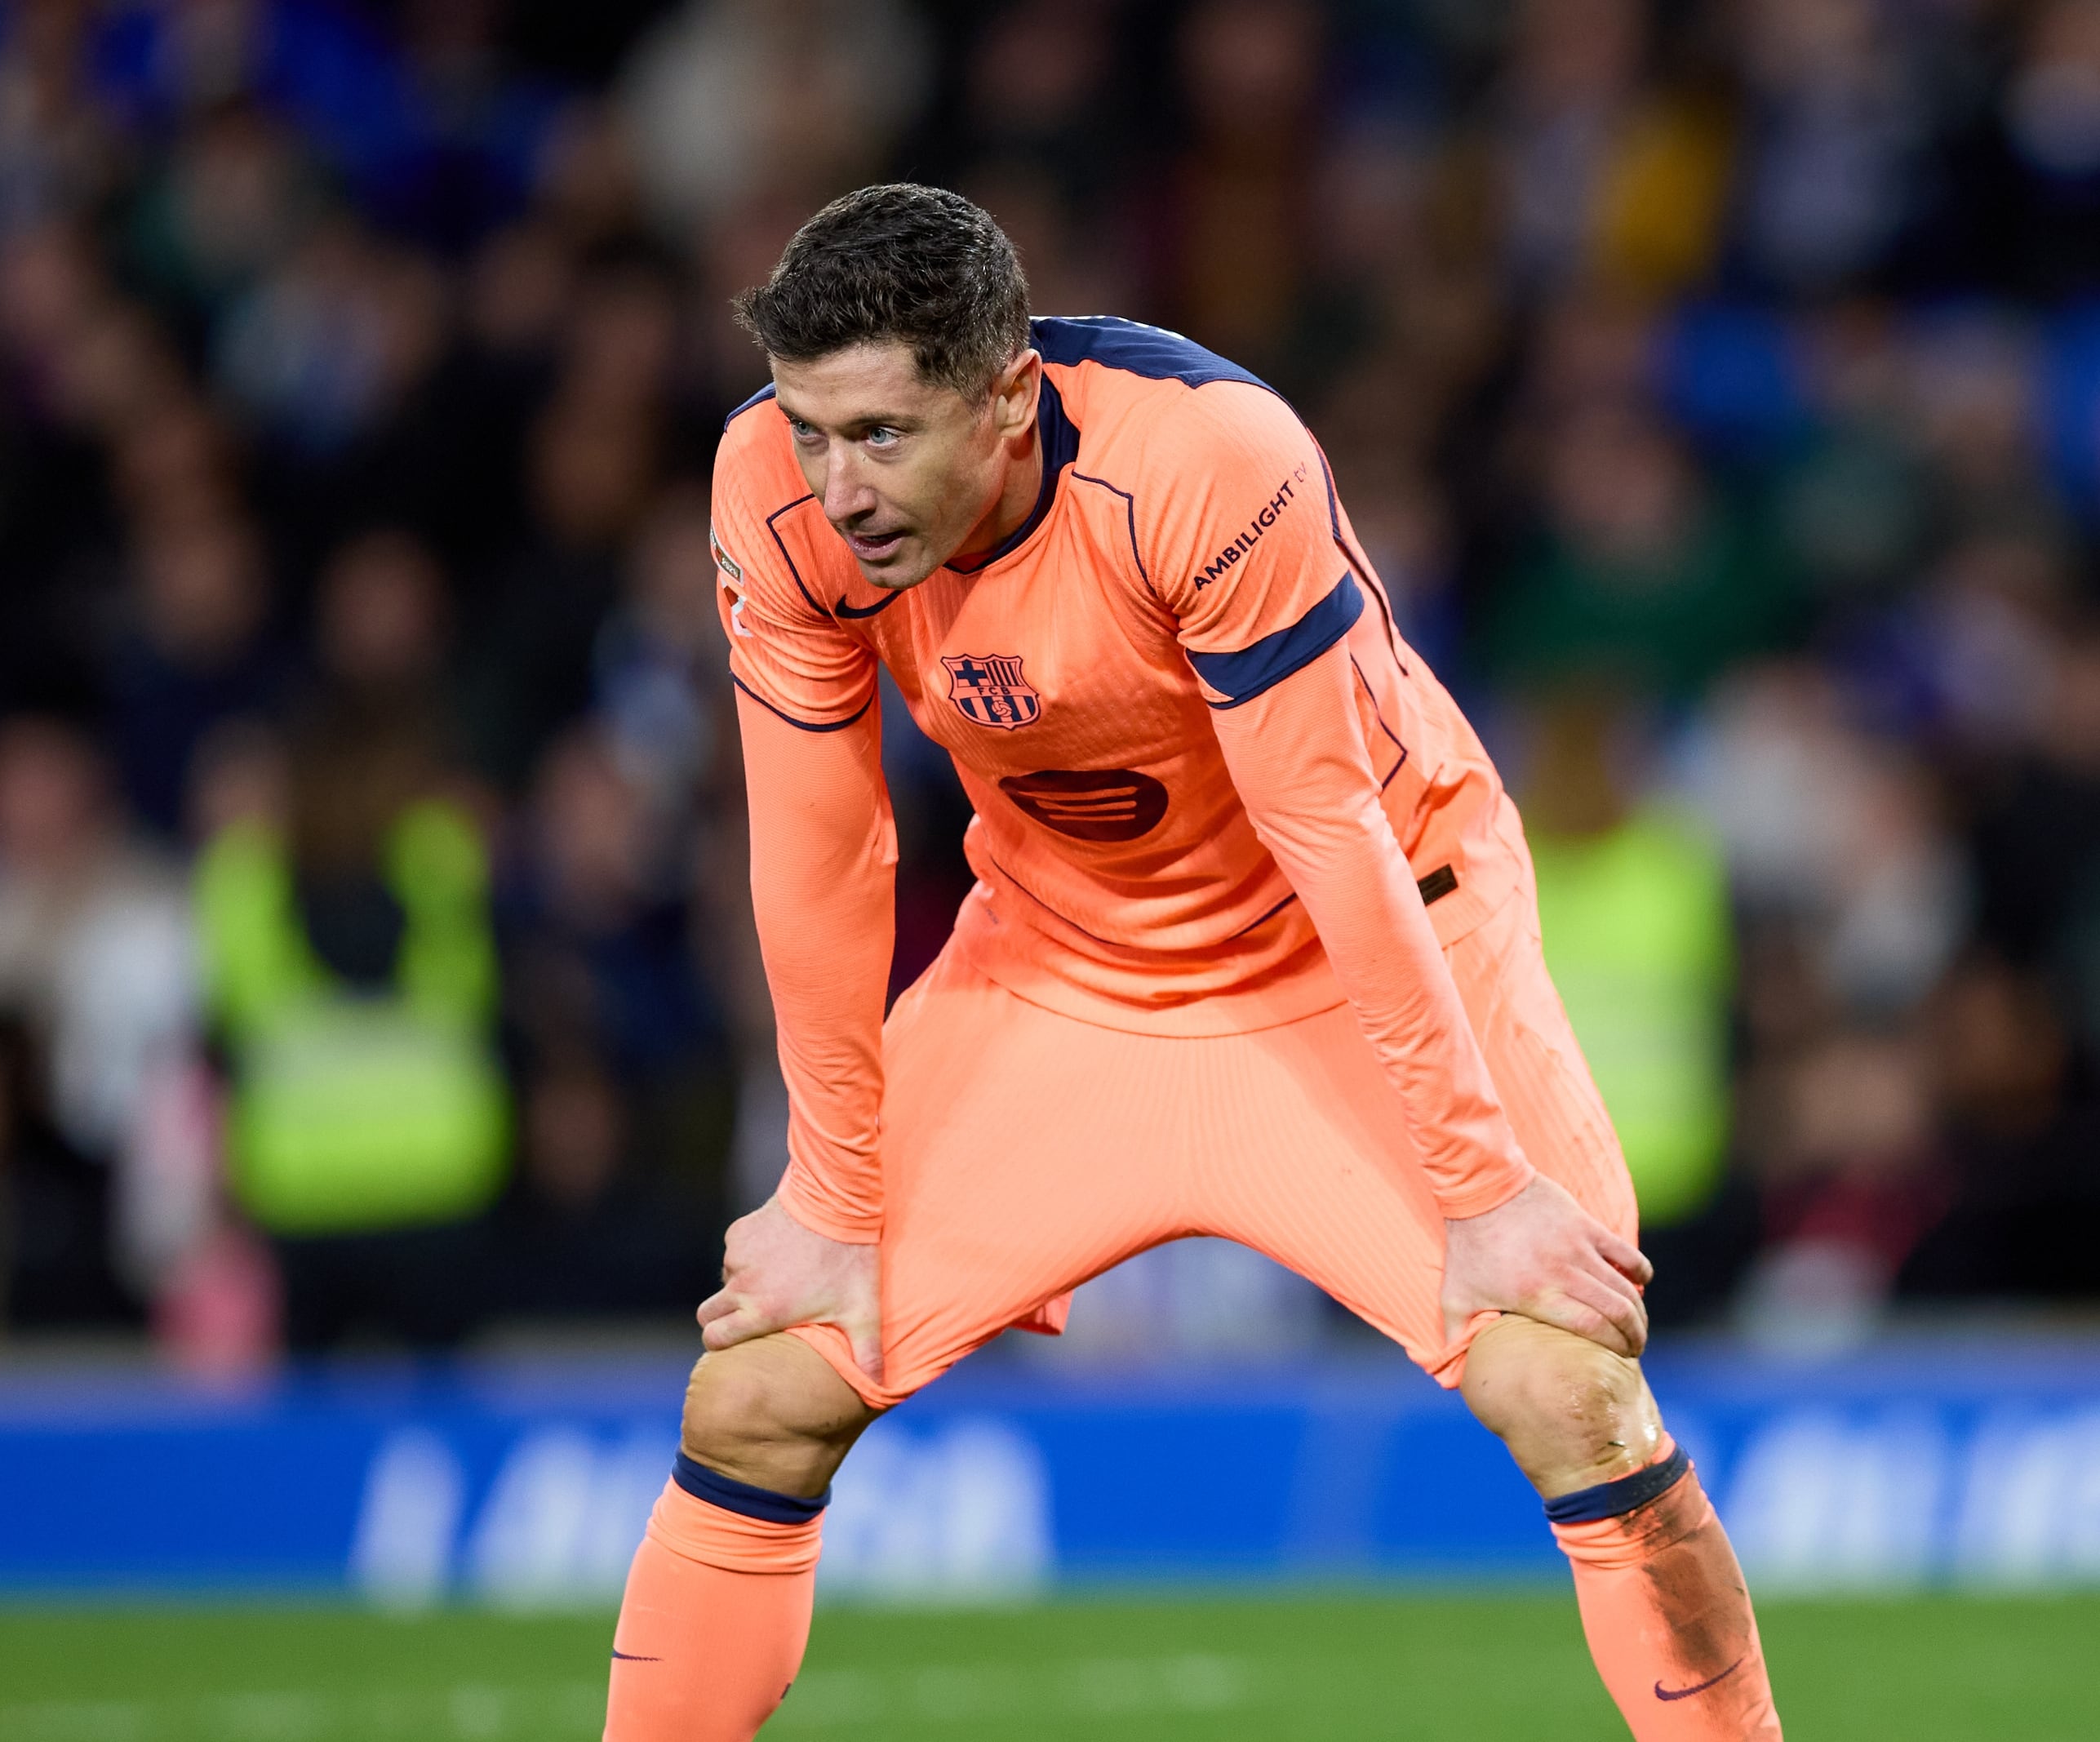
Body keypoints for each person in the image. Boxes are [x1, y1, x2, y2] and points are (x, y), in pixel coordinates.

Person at [605, 186, 1783, 1741]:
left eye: (882, 434)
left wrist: (1482, 1187)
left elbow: (1325, 825)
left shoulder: (1208, 461)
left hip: (1362, 944)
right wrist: (828, 1199)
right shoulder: (768, 491)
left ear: (1011, 397)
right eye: (814, 430)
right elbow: (823, 854)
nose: (837, 486)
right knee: (759, 1396)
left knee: (1569, 1388)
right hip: (1063, 962)